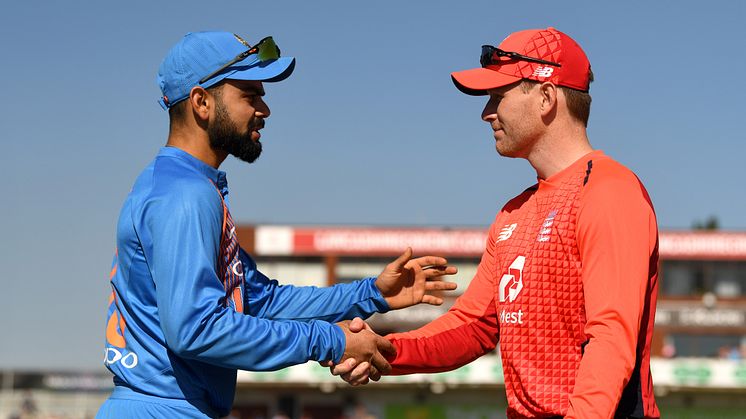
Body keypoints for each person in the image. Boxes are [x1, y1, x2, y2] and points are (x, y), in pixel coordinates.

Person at [96, 31, 457, 419]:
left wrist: (372, 294)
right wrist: (330, 341)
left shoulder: (187, 186)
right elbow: (197, 330)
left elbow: (263, 302)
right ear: (201, 102)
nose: (264, 109)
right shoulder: (185, 194)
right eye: (250, 95)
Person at [332, 27, 661, 419]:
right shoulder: (512, 213)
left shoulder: (609, 190)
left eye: (497, 96)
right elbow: (472, 326)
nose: (486, 112)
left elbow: (610, 338)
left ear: (545, 96)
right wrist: (382, 349)